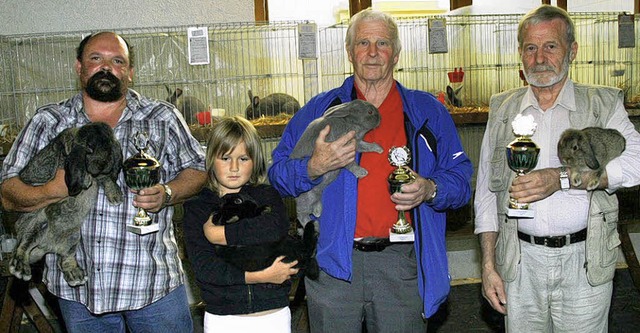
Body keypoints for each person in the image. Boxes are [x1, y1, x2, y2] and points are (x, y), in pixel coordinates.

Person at [268, 8, 473, 332]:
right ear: (349, 52)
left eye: (383, 43)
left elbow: (461, 180)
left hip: (402, 264)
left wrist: (430, 188)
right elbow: (276, 175)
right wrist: (313, 166)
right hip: (333, 263)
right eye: (363, 42)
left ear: (397, 53)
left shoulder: (426, 111)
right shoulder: (320, 110)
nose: (373, 52)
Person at [0, 32, 207, 332]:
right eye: (96, 58)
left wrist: (168, 192)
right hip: (79, 293)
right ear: (79, 67)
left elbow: (198, 170)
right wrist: (51, 191)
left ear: (131, 73)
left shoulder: (162, 117)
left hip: (153, 285)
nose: (107, 67)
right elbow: (7, 192)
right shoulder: (48, 121)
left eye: (118, 61)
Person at [474, 5, 640, 332]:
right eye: (530, 48)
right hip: (520, 265)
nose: (539, 58)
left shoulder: (603, 104)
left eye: (551, 46)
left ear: (572, 51)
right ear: (520, 54)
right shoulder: (503, 109)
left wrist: (561, 179)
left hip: (584, 262)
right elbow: (485, 195)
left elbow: (636, 163)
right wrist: (489, 266)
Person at [182, 116, 299, 333]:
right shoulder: (197, 207)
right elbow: (206, 269)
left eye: (243, 158)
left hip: (273, 314)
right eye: (225, 158)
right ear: (210, 159)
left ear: (255, 160)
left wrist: (220, 235)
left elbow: (274, 229)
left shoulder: (267, 196)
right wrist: (260, 276)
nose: (234, 167)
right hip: (223, 319)